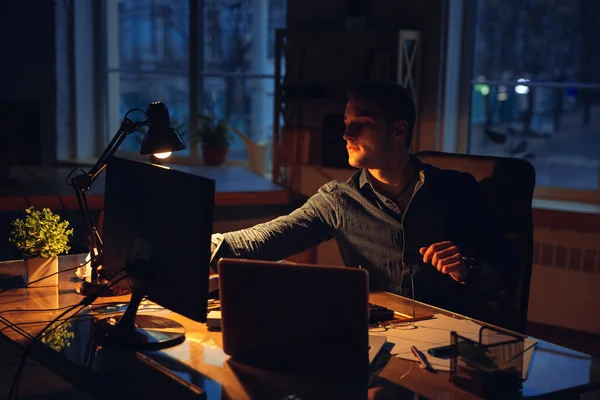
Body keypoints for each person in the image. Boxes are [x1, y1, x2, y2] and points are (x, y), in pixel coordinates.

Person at [210, 81, 520, 316]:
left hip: (449, 343)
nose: (346, 134)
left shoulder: (457, 190)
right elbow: (264, 239)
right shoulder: (339, 200)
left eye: (362, 124)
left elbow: (507, 271)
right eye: (346, 123)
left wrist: (467, 269)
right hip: (377, 337)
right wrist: (192, 244)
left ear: (398, 130)